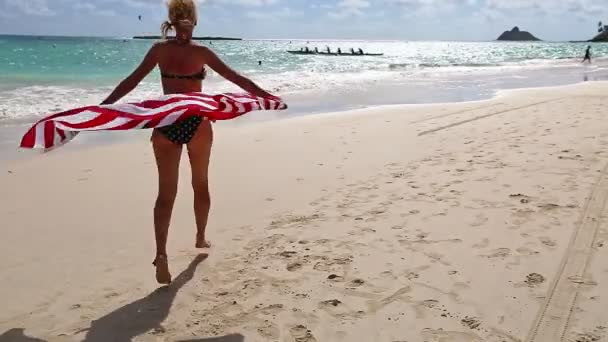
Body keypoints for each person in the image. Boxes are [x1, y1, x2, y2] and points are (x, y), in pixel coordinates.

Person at [100, 0, 274, 285]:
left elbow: (130, 82)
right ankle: (201, 236)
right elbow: (237, 79)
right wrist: (268, 96)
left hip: (166, 124)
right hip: (197, 125)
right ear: (194, 21)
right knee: (200, 183)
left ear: (172, 19)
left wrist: (103, 107)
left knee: (165, 194)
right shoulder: (202, 52)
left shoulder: (159, 51)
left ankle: (161, 254)